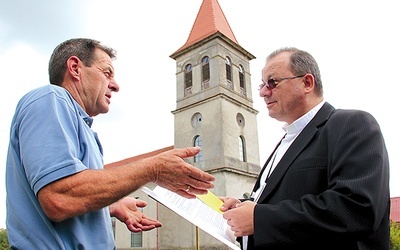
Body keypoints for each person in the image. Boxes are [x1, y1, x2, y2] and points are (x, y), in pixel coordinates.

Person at [5, 38, 215, 249]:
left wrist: (110, 206)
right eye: (107, 73)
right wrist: (153, 169)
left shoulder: (86, 129)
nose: (115, 85)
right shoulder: (50, 98)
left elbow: (71, 198)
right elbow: (59, 198)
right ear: (75, 68)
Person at [221, 47, 390, 249]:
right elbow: (286, 198)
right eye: (262, 85)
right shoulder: (285, 141)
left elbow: (357, 208)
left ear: (307, 83)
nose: (263, 92)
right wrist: (242, 207)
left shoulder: (351, 124)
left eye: (272, 82)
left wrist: (259, 218)